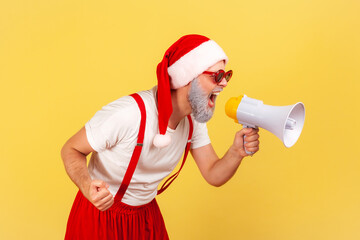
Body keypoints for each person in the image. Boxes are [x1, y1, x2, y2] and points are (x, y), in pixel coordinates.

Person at [61, 34, 260, 239]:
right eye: (216, 76)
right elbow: (71, 149)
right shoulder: (129, 114)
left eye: (226, 75)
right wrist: (86, 186)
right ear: (186, 78)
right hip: (101, 217)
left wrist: (236, 152)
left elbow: (213, 174)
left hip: (146, 217)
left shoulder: (193, 121)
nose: (225, 83)